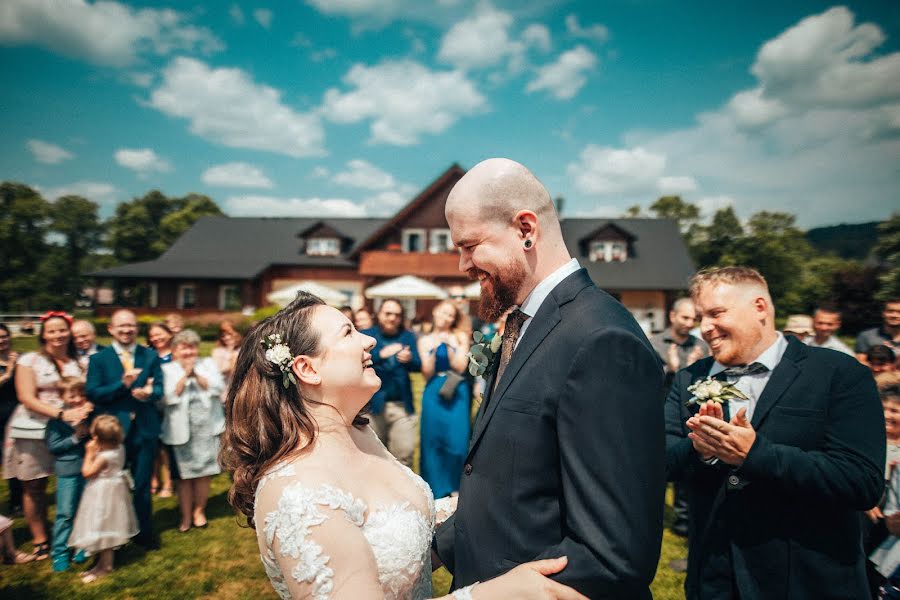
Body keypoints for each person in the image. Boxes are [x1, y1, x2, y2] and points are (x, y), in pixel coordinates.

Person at [221, 291, 588, 600]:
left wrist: (516, 491)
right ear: (307, 369)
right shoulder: (298, 493)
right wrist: (497, 593)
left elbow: (403, 536)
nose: (369, 340)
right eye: (348, 332)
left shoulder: (360, 433)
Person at [436, 158, 665, 597]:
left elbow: (613, 554)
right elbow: (516, 483)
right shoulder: (525, 323)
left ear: (526, 229)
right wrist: (436, 548)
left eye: (469, 245)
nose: (463, 264)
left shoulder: (601, 339)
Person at [667, 266, 885, 600]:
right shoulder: (688, 379)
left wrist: (755, 455)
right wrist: (701, 450)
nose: (705, 327)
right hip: (716, 580)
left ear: (760, 308)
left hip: (809, 580)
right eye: (700, 317)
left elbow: (861, 482)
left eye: (715, 313)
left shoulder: (838, 373)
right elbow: (659, 460)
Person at [4, 311, 89, 561]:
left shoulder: (79, 361)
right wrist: (61, 414)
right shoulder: (29, 360)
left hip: (72, 431)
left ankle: (74, 534)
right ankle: (41, 538)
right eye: (52, 330)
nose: (58, 335)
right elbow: (26, 397)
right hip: (34, 428)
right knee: (34, 485)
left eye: (62, 329)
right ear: (43, 334)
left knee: (73, 484)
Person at [86, 309, 163, 549]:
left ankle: (144, 533)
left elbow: (160, 388)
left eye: (130, 325)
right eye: (121, 326)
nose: (126, 330)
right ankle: (112, 537)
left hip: (143, 428)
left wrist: (149, 394)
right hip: (112, 433)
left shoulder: (149, 356)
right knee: (110, 486)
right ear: (111, 329)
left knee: (142, 486)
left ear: (136, 328)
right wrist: (122, 385)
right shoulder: (98, 359)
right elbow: (94, 392)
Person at [649, 297, 709, 566]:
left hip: (690, 418)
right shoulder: (655, 342)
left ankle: (684, 522)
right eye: (685, 317)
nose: (689, 323)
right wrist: (669, 369)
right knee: (656, 471)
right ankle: (654, 518)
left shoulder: (701, 347)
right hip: (656, 416)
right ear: (673, 316)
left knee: (687, 472)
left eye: (693, 319)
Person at [161, 329, 225, 532]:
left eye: (192, 347)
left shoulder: (207, 364)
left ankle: (199, 511)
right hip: (181, 430)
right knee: (184, 477)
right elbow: (166, 398)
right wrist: (183, 378)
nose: (188, 351)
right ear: (174, 350)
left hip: (206, 429)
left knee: (204, 474)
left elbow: (217, 388)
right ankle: (185, 516)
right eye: (183, 347)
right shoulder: (167, 369)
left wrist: (195, 375)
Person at [69, 415, 139, 583]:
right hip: (114, 491)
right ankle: (99, 565)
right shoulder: (119, 448)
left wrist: (89, 453)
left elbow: (87, 473)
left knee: (103, 529)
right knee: (106, 527)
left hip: (102, 495)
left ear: (96, 437)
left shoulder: (103, 457)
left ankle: (106, 567)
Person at [417, 300, 471, 498]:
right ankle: (435, 489)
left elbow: (460, 366)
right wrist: (431, 351)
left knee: (458, 441)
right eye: (443, 313)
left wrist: (450, 346)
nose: (446, 317)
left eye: (450, 315)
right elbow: (426, 372)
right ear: (435, 312)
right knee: (433, 441)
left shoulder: (460, 337)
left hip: (456, 387)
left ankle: (457, 488)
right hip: (433, 390)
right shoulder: (424, 340)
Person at [364, 299, 421, 469]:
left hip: (401, 405)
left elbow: (418, 365)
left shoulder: (408, 336)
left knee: (404, 455)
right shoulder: (367, 335)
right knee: (373, 457)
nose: (392, 318)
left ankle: (403, 494)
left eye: (397, 315)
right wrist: (380, 355)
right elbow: (354, 362)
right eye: (388, 313)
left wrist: (410, 359)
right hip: (372, 405)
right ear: (379, 314)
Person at [45, 377, 90, 572]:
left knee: (83, 510)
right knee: (65, 513)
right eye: (72, 396)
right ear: (63, 397)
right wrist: (74, 437)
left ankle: (81, 545)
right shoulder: (56, 421)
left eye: (81, 395)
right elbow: (53, 446)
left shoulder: (89, 416)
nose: (77, 399)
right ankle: (60, 552)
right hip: (67, 472)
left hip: (87, 469)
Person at [864, 372, 900, 597]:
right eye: (883, 409)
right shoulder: (866, 440)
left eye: (894, 411)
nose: (887, 415)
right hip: (866, 515)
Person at [0, 324, 23, 515]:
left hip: (16, 416)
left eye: (4, 336)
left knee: (15, 459)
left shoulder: (20, 358)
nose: (2, 341)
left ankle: (17, 501)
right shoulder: (11, 364)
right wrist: (8, 372)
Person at [857, 299, 900, 363]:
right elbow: (861, 362)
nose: (894, 315)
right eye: (890, 311)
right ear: (883, 313)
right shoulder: (866, 336)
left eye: (899, 312)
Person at [211, 320, 241, 401]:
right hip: (224, 392)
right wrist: (230, 352)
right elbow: (218, 371)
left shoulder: (242, 350)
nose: (227, 338)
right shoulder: (217, 351)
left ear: (237, 333)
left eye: (230, 334)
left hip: (240, 392)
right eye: (223, 335)